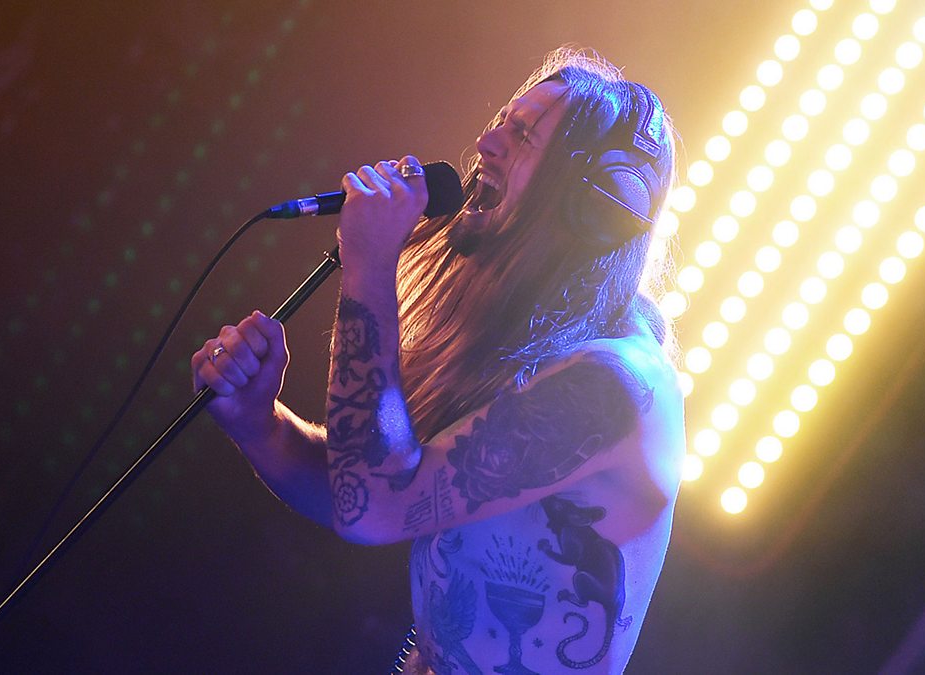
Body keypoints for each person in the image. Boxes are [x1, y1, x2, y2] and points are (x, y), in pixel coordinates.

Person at [190, 48, 684, 673]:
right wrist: (259, 424)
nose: (485, 143)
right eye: (502, 123)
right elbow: (365, 490)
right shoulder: (524, 350)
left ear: (588, 207)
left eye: (523, 136)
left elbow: (373, 507)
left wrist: (370, 261)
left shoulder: (610, 387)